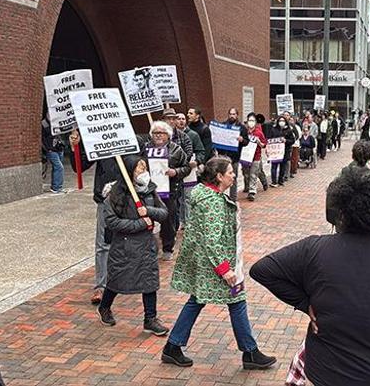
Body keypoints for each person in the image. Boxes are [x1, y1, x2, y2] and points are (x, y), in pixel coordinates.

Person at [250, 166, 370, 386]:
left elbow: (262, 270)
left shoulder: (315, 249)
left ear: (338, 212)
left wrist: (305, 303)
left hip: (327, 374)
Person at [162, 156, 277, 370]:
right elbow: (212, 240)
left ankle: (173, 346)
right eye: (230, 173)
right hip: (215, 264)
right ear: (219, 176)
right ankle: (249, 352)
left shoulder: (206, 195)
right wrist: (225, 269)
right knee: (234, 299)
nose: (234, 175)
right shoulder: (213, 202)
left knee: (202, 300)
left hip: (206, 261)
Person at [97, 155, 170, 336]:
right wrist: (140, 223)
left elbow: (163, 212)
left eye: (145, 168)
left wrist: (149, 211)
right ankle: (105, 306)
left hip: (146, 246)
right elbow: (112, 222)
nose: (144, 172)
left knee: (149, 282)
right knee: (117, 281)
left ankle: (150, 319)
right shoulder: (115, 195)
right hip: (124, 247)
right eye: (140, 168)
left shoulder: (149, 190)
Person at [69, 131, 125, 304]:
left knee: (126, 240)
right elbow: (80, 166)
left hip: (127, 198)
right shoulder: (98, 143)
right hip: (104, 200)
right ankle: (101, 285)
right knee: (103, 243)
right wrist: (75, 147)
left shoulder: (129, 141)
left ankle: (123, 277)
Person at [143, 121, 190, 261]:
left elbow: (187, 167)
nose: (157, 136)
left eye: (161, 133)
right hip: (148, 190)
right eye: (155, 133)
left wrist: (175, 172)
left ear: (168, 135)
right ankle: (148, 247)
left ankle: (168, 248)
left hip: (169, 191)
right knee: (146, 218)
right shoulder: (145, 148)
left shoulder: (176, 150)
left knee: (168, 221)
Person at [325, 140, 370, 226]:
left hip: (343, 226)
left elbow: (331, 208)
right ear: (369, 157)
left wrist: (337, 221)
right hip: (364, 228)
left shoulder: (341, 177)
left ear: (352, 155)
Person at [176, 112, 205, 228]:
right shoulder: (171, 136)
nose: (181, 121)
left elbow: (201, 151)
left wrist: (197, 161)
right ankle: (180, 221)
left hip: (190, 171)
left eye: (183, 118)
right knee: (178, 198)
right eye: (178, 118)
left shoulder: (193, 135)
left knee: (188, 197)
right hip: (177, 171)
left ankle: (189, 222)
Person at [217, 108, 250, 202]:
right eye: (230, 114)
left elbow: (246, 141)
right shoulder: (223, 125)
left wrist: (242, 140)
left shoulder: (242, 127)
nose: (232, 116)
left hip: (234, 157)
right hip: (223, 156)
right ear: (228, 115)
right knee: (220, 177)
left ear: (237, 115)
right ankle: (220, 197)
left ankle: (233, 199)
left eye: (234, 114)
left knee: (233, 178)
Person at [242, 113, 267, 201]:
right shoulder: (244, 131)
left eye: (253, 120)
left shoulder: (259, 133)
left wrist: (259, 142)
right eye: (249, 120)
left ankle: (252, 192)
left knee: (254, 173)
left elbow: (264, 145)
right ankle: (247, 186)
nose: (251, 122)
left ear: (255, 122)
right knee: (246, 173)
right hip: (245, 156)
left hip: (256, 156)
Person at [41, 118, 66, 194]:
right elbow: (41, 138)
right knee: (59, 167)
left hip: (58, 148)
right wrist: (46, 149)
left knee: (57, 168)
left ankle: (56, 187)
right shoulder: (44, 123)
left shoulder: (57, 121)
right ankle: (56, 187)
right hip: (51, 149)